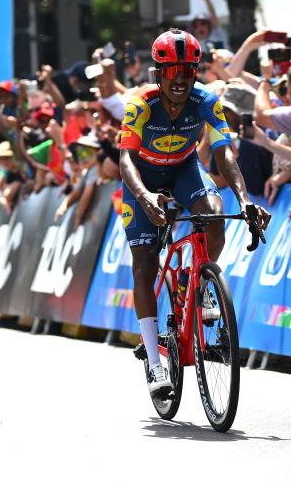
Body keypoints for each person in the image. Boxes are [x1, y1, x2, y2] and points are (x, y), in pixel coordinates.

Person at [119, 29, 269, 399]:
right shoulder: (141, 104)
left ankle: (197, 284)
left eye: (187, 71)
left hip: (184, 169)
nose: (181, 80)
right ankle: (155, 363)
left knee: (215, 213)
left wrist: (245, 199)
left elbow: (224, 152)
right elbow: (125, 159)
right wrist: (145, 196)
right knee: (144, 264)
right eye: (172, 72)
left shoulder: (206, 100)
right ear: (158, 73)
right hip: (142, 177)